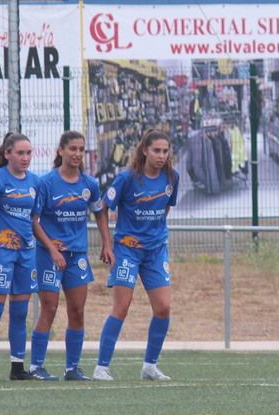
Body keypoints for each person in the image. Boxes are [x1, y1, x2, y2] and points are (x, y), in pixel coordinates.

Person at [94, 129, 179, 382]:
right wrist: (108, 245)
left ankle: (150, 366)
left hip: (155, 251)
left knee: (163, 308)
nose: (161, 156)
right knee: (121, 307)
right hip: (127, 250)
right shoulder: (127, 178)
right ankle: (101, 367)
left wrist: (155, 235)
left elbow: (164, 209)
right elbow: (101, 207)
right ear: (144, 150)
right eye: (156, 150)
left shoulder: (171, 178)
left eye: (165, 151)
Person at [30, 131, 111, 381]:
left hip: (77, 256)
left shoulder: (89, 184)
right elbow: (34, 221)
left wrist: (107, 243)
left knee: (77, 310)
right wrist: (52, 250)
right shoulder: (46, 183)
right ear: (61, 151)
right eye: (72, 149)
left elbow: (99, 212)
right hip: (49, 256)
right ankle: (36, 367)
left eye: (81, 149)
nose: (77, 154)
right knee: (50, 308)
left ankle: (72, 368)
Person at [0, 132, 39, 381]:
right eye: (20, 153)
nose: (25, 158)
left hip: (26, 253)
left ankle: (17, 366)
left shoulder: (35, 182)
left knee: (20, 311)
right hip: (0, 251)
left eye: (28, 153)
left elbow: (34, 218)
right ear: (7, 154)